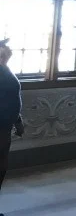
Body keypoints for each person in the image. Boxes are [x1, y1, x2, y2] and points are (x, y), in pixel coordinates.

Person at [0, 38, 24, 214]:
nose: (6, 55)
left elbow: (12, 99)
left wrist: (18, 120)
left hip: (5, 126)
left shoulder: (7, 71)